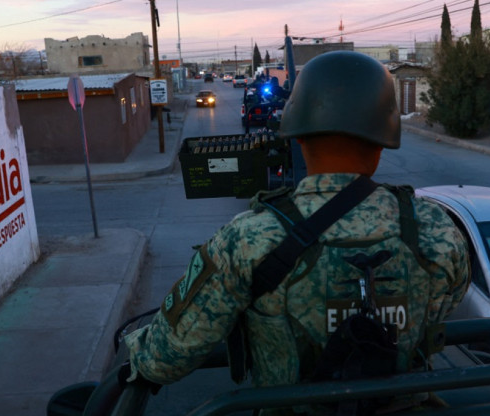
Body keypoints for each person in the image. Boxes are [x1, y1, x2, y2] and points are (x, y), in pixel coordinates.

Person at [123, 51, 470, 415]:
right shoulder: (435, 229)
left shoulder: (247, 240)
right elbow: (445, 304)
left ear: (299, 137)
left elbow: (164, 357)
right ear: (384, 142)